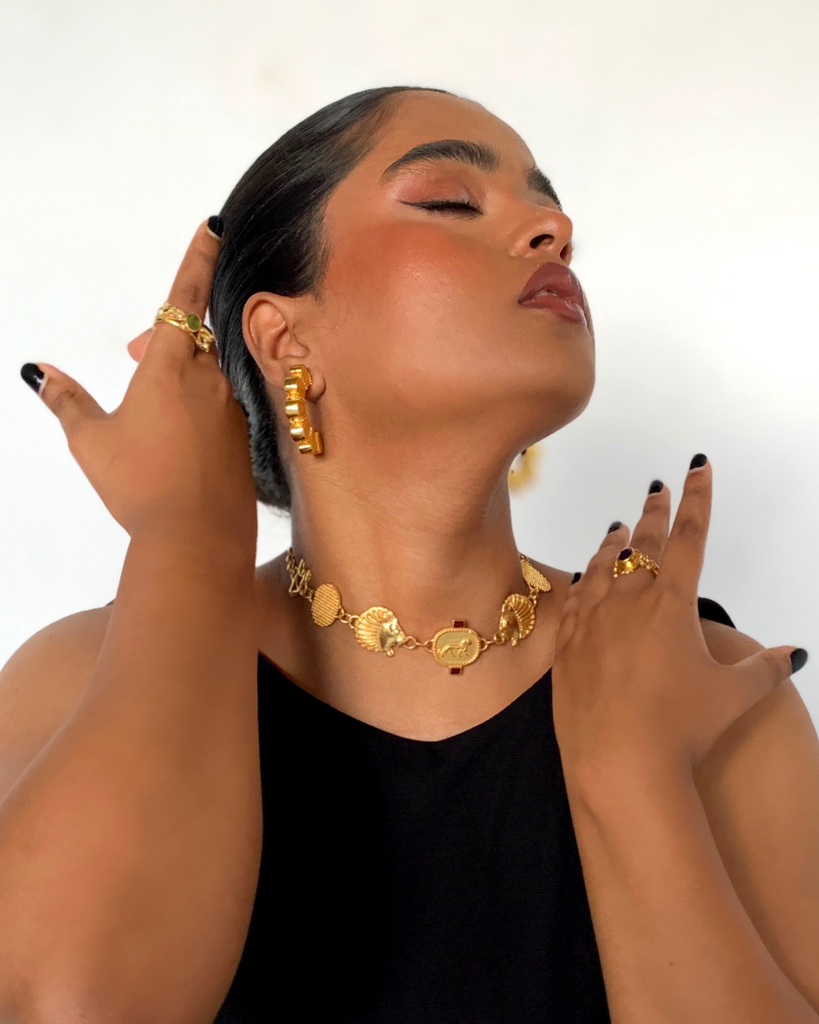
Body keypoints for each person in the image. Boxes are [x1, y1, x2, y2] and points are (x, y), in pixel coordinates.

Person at [1, 85, 816, 1024]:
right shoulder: (78, 678)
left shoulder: (709, 684)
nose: (554, 230)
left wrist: (634, 782)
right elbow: (68, 1006)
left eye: (551, 213)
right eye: (449, 201)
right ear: (281, 336)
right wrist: (188, 531)